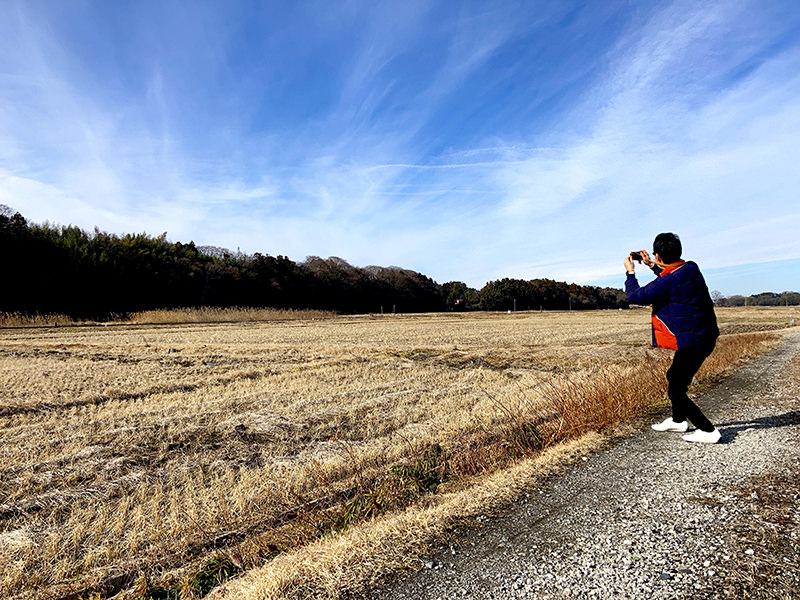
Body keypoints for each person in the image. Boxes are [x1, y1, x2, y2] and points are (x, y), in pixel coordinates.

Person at [624, 232, 721, 444]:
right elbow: (671, 277)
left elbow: (636, 296)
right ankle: (679, 421)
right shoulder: (690, 269)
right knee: (675, 377)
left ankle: (708, 431)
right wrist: (652, 265)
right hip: (703, 336)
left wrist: (630, 274)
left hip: (694, 342)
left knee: (676, 388)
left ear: (658, 254)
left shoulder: (669, 280)